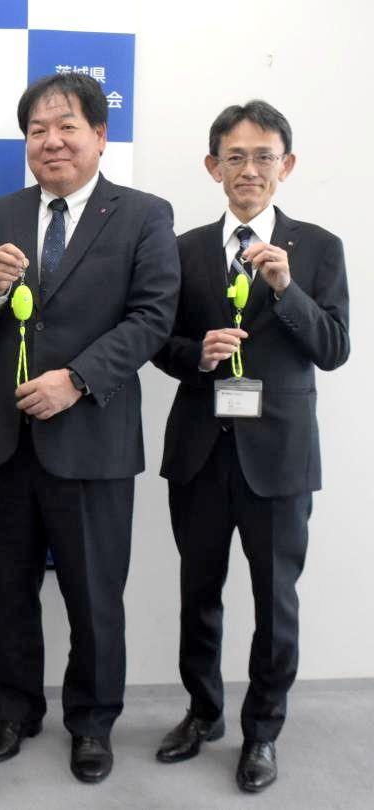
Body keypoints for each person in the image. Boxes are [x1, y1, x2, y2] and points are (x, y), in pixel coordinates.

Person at [0, 72, 180, 784]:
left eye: (67, 127)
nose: (51, 141)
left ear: (100, 135)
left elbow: (153, 317)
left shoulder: (143, 214)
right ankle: (14, 711)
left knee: (94, 595)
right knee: (9, 589)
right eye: (37, 130)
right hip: (9, 437)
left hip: (93, 439)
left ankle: (92, 722)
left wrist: (75, 380)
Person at [152, 100, 349, 793]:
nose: (249, 169)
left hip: (280, 458)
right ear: (213, 167)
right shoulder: (182, 249)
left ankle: (263, 730)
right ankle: (203, 712)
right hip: (200, 452)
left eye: (264, 156)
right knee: (198, 592)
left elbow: (334, 348)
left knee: (276, 600)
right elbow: (160, 344)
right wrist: (197, 354)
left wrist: (286, 289)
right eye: (234, 157)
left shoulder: (318, 247)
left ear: (285, 166)